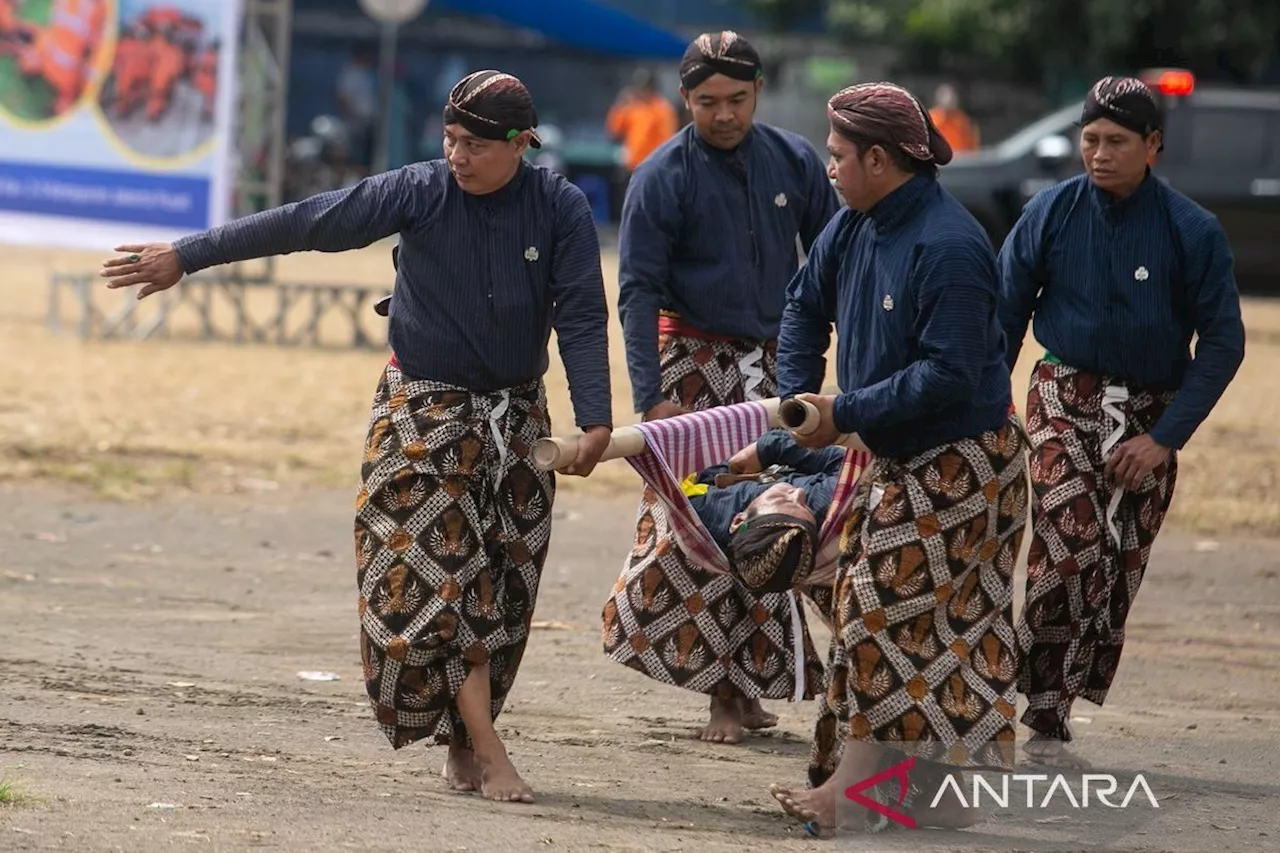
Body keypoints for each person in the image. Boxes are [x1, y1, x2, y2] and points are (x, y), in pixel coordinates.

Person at [98, 70, 614, 806]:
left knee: (502, 595)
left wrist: (594, 417)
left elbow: (584, 317)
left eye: (475, 144)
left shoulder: (558, 207)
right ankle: (491, 749)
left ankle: (469, 737)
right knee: (435, 588)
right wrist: (189, 254)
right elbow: (308, 220)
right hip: (419, 419)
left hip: (516, 427)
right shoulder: (417, 190)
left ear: (520, 144)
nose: (458, 155)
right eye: (450, 139)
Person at [768, 82, 1028, 835]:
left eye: (839, 156)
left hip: (964, 466)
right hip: (896, 455)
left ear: (879, 159)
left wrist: (840, 413)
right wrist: (797, 396)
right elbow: (801, 306)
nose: (829, 168)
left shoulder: (951, 245)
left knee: (879, 612)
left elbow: (948, 373)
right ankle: (934, 796)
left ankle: (854, 793)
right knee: (915, 622)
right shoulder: (853, 225)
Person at [998, 75, 1246, 770]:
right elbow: (1005, 313)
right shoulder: (1049, 213)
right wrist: (993, 402)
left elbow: (1224, 343)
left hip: (1151, 414)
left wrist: (1164, 439)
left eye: (1116, 141)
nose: (1099, 155)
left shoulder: (1191, 230)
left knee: (1116, 567)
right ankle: (1006, 681)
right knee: (1070, 542)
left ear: (1153, 146)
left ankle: (1052, 702)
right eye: (1090, 141)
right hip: (1061, 396)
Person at [604, 29, 841, 746]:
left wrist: (813, 380)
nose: (724, 114)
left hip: (777, 373)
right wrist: (653, 398)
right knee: (704, 529)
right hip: (692, 375)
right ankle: (720, 695)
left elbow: (833, 263)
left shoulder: (796, 161)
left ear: (758, 91)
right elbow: (636, 291)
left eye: (737, 99)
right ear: (685, 99)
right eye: (708, 102)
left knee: (776, 523)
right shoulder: (660, 176)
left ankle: (747, 689)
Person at [685, 428, 844, 592]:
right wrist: (769, 448)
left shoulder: (697, 516)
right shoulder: (822, 502)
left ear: (739, 520)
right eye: (806, 508)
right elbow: (844, 466)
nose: (799, 493)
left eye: (780, 499)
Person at [606, 68, 678, 174]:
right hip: (632, 167)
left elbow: (667, 140)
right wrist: (620, 105)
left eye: (645, 88)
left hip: (653, 168)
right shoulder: (632, 106)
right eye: (639, 88)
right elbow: (614, 130)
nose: (641, 91)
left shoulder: (663, 109)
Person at [928, 83, 979, 153]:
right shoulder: (930, 119)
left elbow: (972, 147)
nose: (950, 99)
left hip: (961, 161)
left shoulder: (963, 121)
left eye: (952, 96)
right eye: (945, 96)